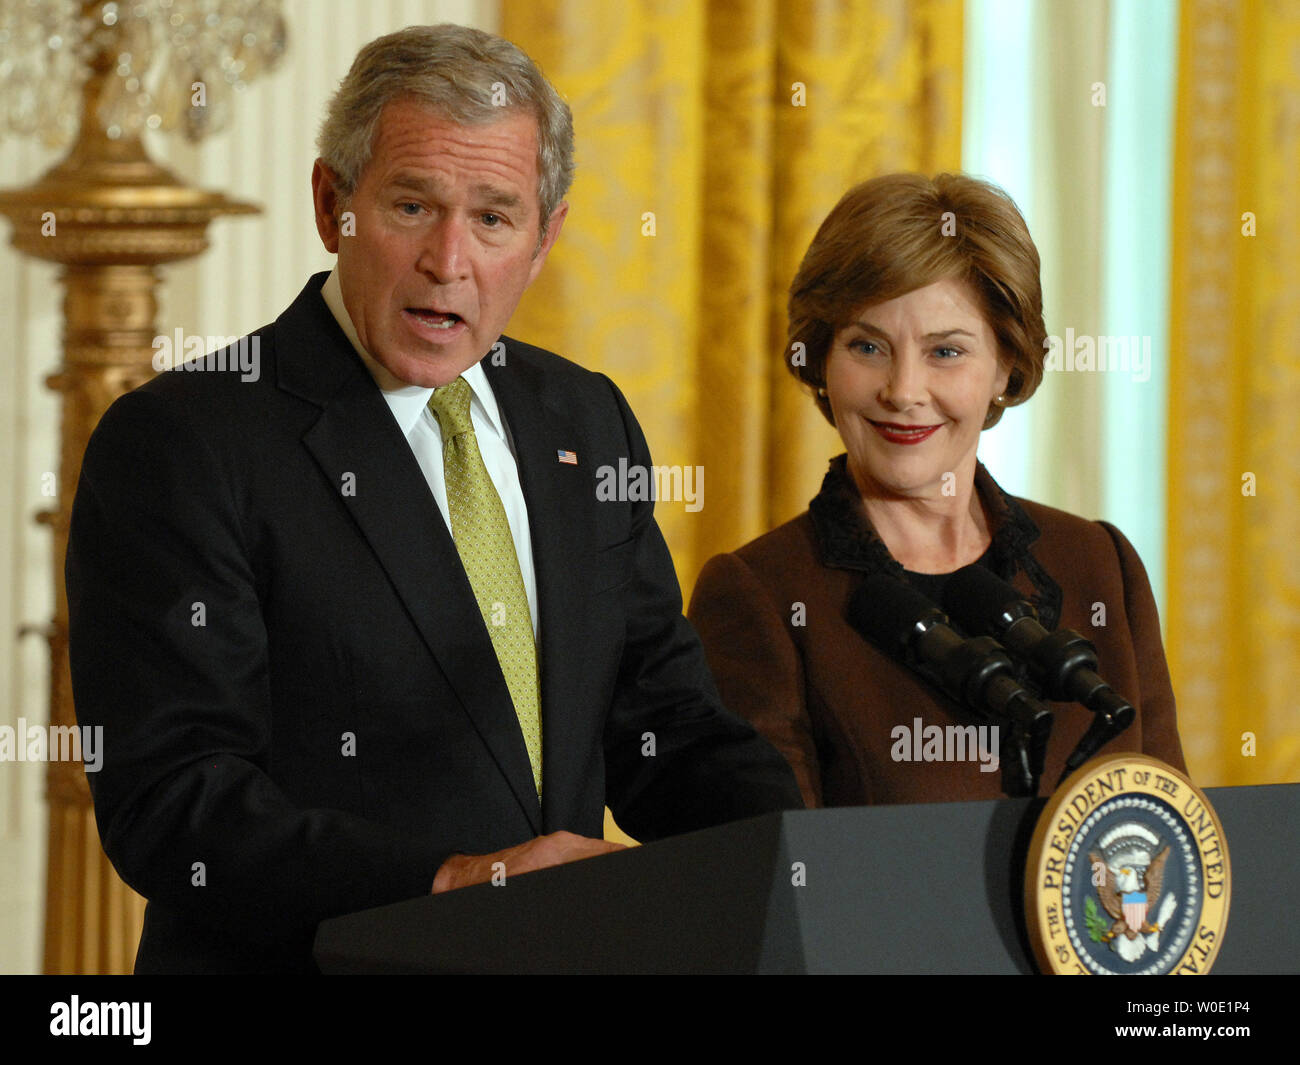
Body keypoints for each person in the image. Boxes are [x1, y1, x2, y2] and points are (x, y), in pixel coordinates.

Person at [65, 24, 801, 974]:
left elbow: (668, 729)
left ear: (545, 238)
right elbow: (172, 803)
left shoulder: (585, 417)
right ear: (335, 204)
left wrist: (808, 863)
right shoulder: (185, 440)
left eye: (494, 217)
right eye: (413, 205)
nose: (449, 259)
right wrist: (458, 883)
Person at [687, 172, 1186, 809]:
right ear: (820, 361)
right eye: (867, 346)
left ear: (1005, 365)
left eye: (945, 352)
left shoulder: (1099, 563)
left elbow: (1173, 834)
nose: (903, 390)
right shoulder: (759, 595)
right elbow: (780, 883)